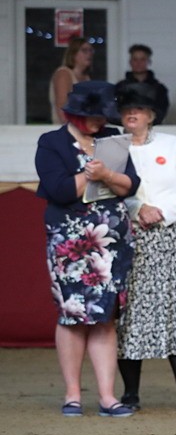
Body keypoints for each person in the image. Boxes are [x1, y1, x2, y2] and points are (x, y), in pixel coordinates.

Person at [35, 81, 140, 417]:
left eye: (102, 116)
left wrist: (106, 172)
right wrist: (88, 172)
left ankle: (108, 397)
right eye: (92, 117)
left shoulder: (113, 137)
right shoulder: (51, 142)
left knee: (105, 317)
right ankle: (72, 395)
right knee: (72, 314)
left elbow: (131, 184)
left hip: (111, 243)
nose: (99, 122)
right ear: (75, 114)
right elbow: (59, 189)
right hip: (70, 243)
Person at [114, 83, 176, 413]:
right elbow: (107, 188)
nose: (132, 113)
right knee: (132, 315)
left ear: (151, 115)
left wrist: (161, 212)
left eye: (139, 109)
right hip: (131, 239)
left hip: (174, 238)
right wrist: (137, 209)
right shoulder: (111, 147)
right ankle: (130, 395)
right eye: (127, 108)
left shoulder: (172, 144)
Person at [115, 44, 170, 125]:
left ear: (149, 62)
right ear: (130, 62)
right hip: (125, 129)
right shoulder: (120, 87)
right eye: (135, 59)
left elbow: (161, 112)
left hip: (152, 129)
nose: (138, 63)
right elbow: (116, 110)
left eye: (142, 59)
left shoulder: (159, 89)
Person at [49, 38, 94, 125]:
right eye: (84, 51)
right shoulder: (64, 74)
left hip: (84, 129)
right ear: (73, 54)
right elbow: (62, 108)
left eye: (91, 50)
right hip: (65, 130)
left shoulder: (87, 77)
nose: (89, 54)